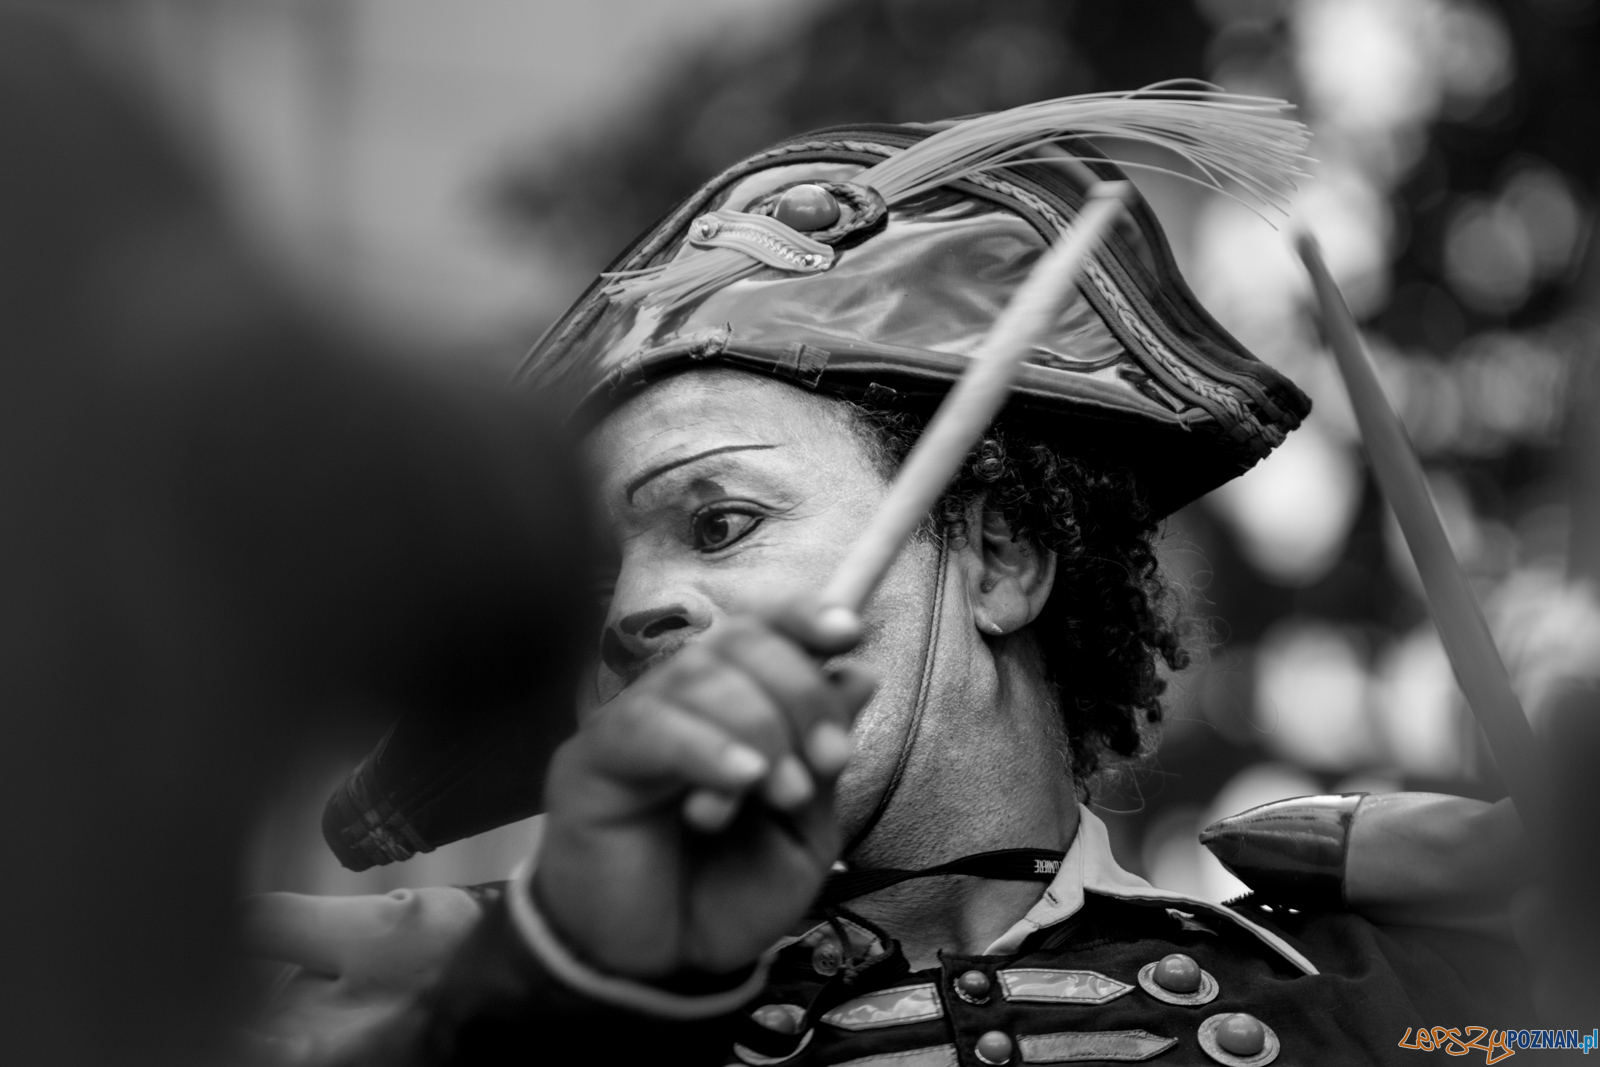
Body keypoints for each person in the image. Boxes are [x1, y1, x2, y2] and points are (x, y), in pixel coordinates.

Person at [262, 92, 1543, 1066]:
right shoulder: (473, 1012)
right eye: (595, 575)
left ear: (998, 556)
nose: (632, 608)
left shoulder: (1394, 1002)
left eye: (718, 520)